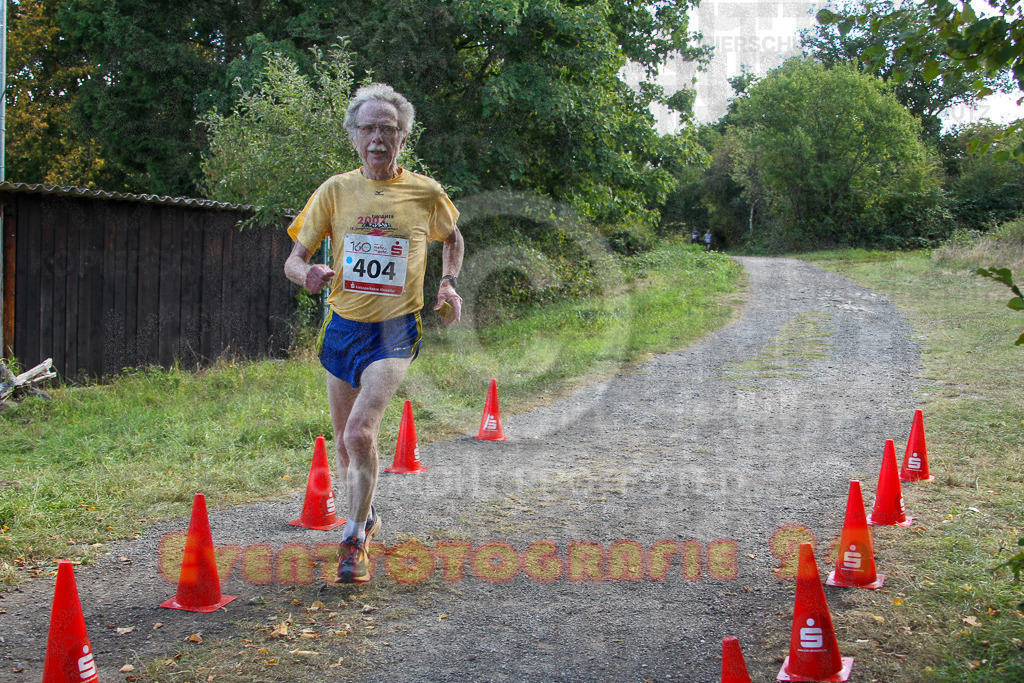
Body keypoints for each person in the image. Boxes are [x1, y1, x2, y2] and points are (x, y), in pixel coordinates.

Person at [284, 83, 464, 584]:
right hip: (342, 328)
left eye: (389, 128)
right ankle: (366, 511)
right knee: (345, 447)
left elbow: (454, 237)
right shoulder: (335, 190)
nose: (378, 137)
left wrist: (447, 283)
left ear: (403, 137)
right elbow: (293, 260)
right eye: (369, 128)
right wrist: (308, 275)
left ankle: (354, 536)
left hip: (395, 331)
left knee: (360, 431)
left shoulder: (425, 192)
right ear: (354, 137)